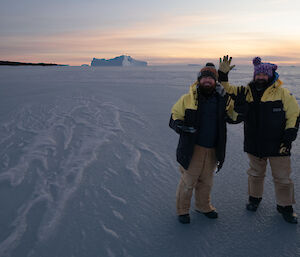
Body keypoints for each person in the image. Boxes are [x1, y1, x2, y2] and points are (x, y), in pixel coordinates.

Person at [218, 55, 300, 224]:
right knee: (255, 174)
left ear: (270, 75)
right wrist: (223, 75)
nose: (260, 77)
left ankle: (285, 206)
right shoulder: (245, 91)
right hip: (254, 143)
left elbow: (294, 113)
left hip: (279, 144)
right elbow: (225, 89)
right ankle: (254, 199)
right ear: (254, 75)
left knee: (283, 178)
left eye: (264, 74)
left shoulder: (282, 92)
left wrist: (290, 131)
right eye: (258, 75)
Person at [169, 63, 235, 224]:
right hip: (193, 148)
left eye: (210, 78)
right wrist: (180, 126)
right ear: (199, 80)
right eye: (204, 77)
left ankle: (203, 206)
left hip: (213, 148)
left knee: (206, 182)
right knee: (188, 181)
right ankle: (182, 210)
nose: (207, 80)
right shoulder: (187, 98)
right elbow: (174, 117)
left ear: (215, 81)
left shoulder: (222, 100)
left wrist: (235, 101)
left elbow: (235, 116)